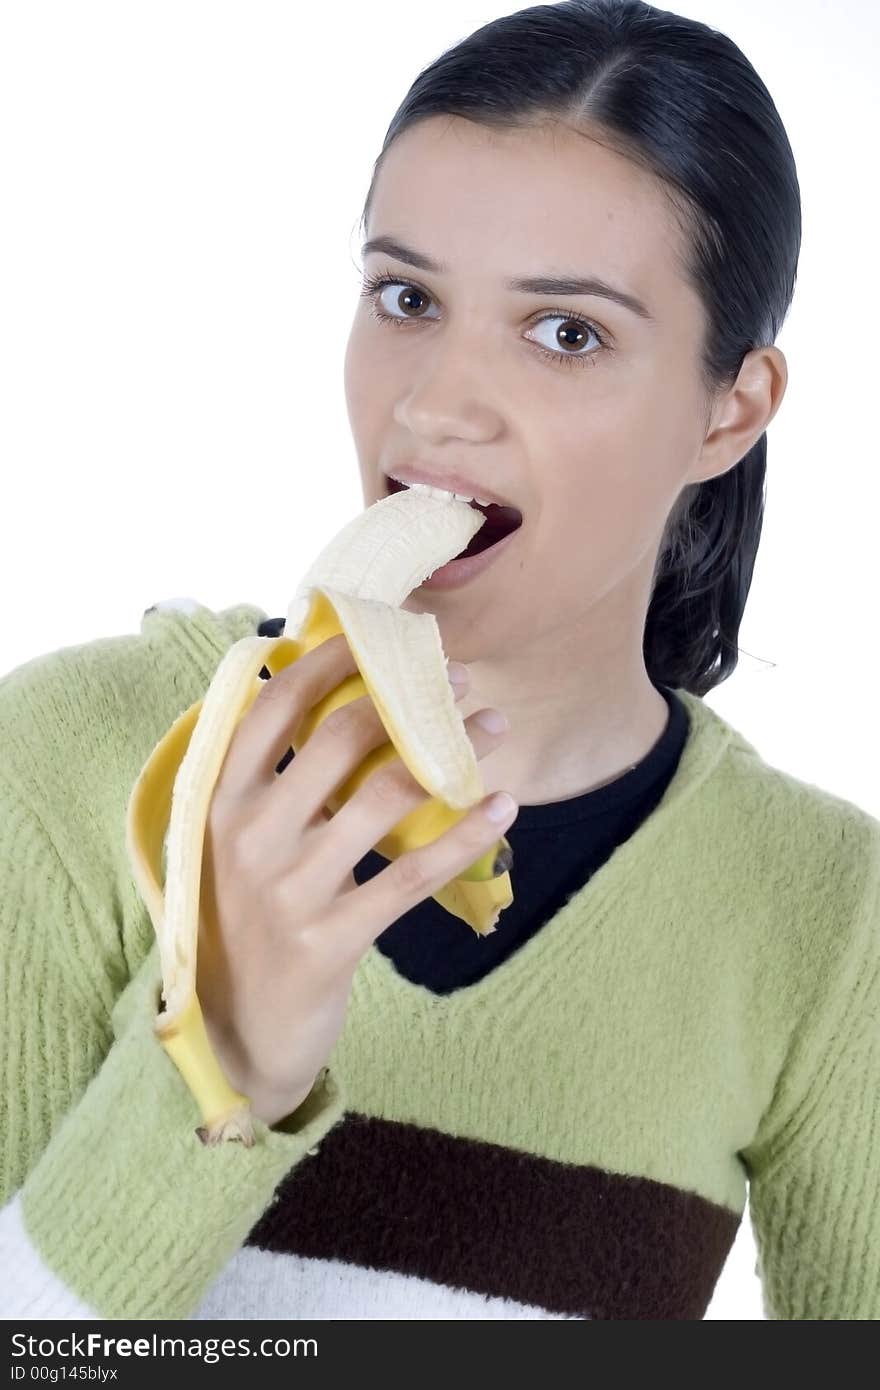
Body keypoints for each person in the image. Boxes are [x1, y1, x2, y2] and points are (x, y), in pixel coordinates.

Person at [1, 0, 877, 1321]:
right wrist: (214, 1065)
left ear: (729, 409)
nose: (433, 407)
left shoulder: (826, 915)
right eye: (406, 298)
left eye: (565, 331)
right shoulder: (75, 762)